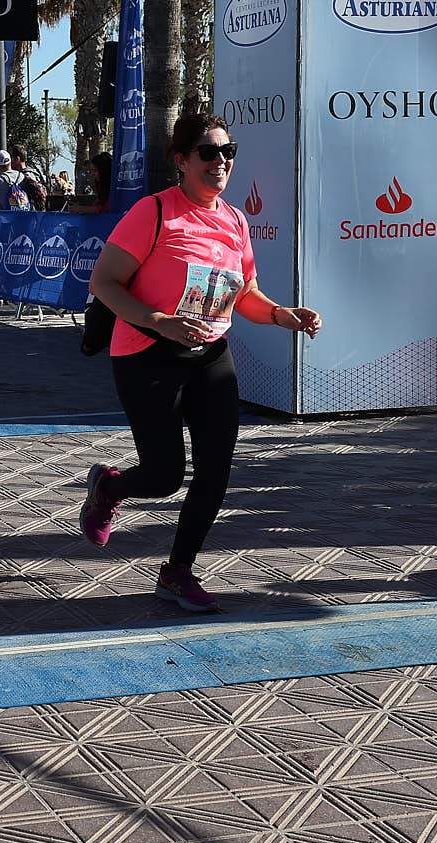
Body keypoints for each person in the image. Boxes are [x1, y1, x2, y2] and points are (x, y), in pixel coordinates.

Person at [75, 114, 321, 614]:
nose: (221, 161)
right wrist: (160, 321)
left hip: (210, 354)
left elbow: (245, 293)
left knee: (216, 471)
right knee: (165, 477)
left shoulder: (234, 220)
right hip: (147, 355)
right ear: (182, 161)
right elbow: (105, 283)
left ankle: (176, 571)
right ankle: (111, 486)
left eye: (229, 151)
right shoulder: (155, 212)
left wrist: (280, 315)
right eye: (209, 153)